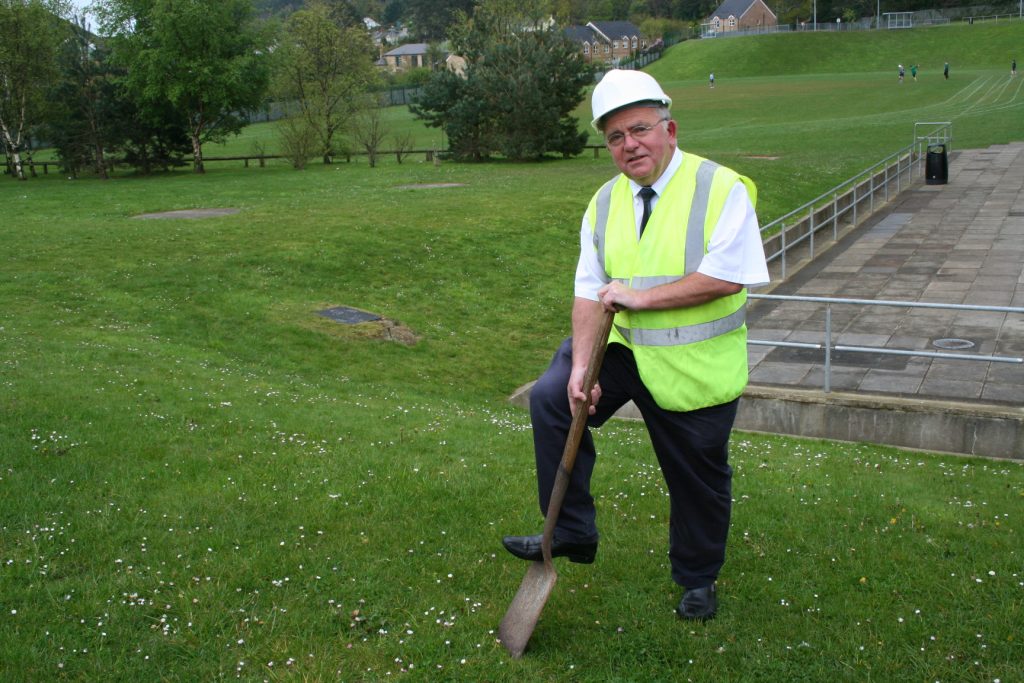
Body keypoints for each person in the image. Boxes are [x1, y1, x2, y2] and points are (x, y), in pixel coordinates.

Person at [502, 69, 769, 621]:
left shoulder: (722, 189)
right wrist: (581, 366)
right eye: (616, 137)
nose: (630, 145)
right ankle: (572, 530)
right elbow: (586, 290)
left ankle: (697, 580)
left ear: (670, 128)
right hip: (622, 349)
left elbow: (729, 276)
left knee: (697, 478)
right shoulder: (603, 203)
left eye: (640, 129)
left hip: (696, 365)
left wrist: (641, 300)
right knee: (554, 397)